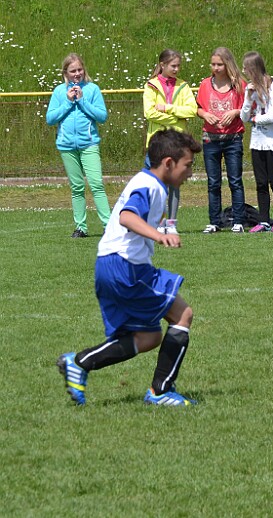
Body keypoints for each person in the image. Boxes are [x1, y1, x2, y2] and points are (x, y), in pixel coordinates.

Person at [56, 129, 202, 406]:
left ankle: (80, 363)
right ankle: (160, 392)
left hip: (109, 265)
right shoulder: (150, 186)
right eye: (188, 165)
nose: (190, 173)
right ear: (169, 163)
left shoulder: (145, 181)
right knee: (183, 315)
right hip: (126, 267)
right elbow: (126, 216)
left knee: (148, 336)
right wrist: (160, 235)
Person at [46, 53, 112, 238]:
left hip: (89, 144)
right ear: (65, 72)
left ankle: (108, 225)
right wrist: (68, 101)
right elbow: (50, 119)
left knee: (96, 184)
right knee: (77, 187)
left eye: (79, 70)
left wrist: (82, 101)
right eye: (73, 70)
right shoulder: (59, 92)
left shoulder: (92, 89)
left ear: (84, 70)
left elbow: (102, 116)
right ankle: (81, 227)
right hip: (67, 146)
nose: (77, 74)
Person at [143, 49, 198, 235]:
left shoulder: (183, 86)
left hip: (177, 143)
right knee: (156, 186)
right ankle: (158, 221)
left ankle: (172, 223)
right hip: (157, 144)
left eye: (178, 66)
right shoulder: (150, 86)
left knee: (175, 184)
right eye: (173, 66)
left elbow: (191, 110)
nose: (176, 69)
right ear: (162, 65)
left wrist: (167, 108)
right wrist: (175, 120)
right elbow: (149, 113)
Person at [196, 47, 247, 234]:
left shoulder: (239, 85)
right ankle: (215, 221)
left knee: (235, 180)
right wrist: (205, 114)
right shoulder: (205, 85)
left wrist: (235, 112)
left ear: (227, 65)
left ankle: (239, 221)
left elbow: (248, 110)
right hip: (211, 139)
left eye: (220, 64)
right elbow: (198, 108)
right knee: (213, 182)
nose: (216, 68)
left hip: (233, 138)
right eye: (213, 64)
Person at [240, 51, 273, 233]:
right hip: (257, 141)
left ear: (254, 68)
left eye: (246, 67)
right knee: (260, 183)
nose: (244, 71)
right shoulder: (250, 88)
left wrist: (254, 119)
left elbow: (271, 116)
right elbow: (244, 116)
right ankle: (264, 220)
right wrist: (247, 97)